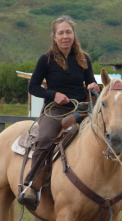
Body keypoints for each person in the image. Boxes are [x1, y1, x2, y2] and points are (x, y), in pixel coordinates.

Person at [20, 15, 101, 208]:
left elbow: (90, 81)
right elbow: (33, 87)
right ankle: (33, 186)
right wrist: (53, 94)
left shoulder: (84, 59)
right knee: (45, 138)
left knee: (106, 134)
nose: (65, 36)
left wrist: (93, 87)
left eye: (68, 32)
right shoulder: (46, 60)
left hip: (80, 109)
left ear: (74, 35)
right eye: (61, 33)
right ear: (54, 37)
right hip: (54, 110)